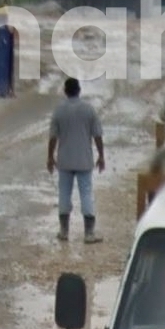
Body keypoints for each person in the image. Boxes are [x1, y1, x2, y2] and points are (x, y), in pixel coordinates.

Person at [47, 77, 105, 243]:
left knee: (64, 194)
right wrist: (101, 155)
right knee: (86, 193)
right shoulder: (88, 109)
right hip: (84, 159)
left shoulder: (59, 110)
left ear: (65, 91)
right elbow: (97, 135)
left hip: (65, 160)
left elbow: (53, 137)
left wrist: (50, 157)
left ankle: (64, 231)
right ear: (79, 90)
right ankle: (89, 233)